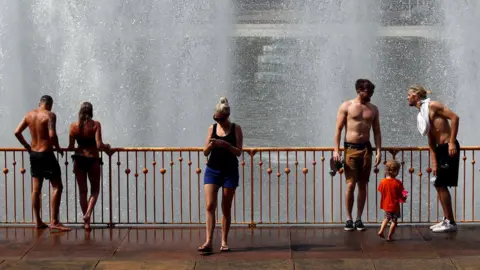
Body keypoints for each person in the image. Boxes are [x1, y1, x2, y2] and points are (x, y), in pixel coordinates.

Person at [14, 95, 70, 232]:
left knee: (36, 189)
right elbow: (52, 135)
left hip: (34, 154)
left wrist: (27, 146)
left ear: (39, 103)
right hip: (46, 154)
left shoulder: (29, 115)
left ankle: (38, 221)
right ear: (50, 104)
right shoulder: (50, 115)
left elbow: (17, 132)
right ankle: (55, 221)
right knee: (57, 186)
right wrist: (57, 148)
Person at [408, 86, 460, 232]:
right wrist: (434, 162)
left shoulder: (433, 105)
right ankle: (447, 219)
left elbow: (455, 118)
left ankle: (450, 221)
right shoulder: (422, 113)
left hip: (449, 146)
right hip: (440, 149)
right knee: (438, 183)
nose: (407, 97)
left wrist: (451, 142)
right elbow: (431, 140)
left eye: (409, 95)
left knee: (441, 184)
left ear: (416, 95)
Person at [333, 79, 382, 231]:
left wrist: (378, 150)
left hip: (366, 149)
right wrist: (336, 150)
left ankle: (359, 218)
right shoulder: (346, 106)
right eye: (369, 92)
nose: (371, 96)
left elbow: (377, 131)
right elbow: (338, 130)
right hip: (350, 149)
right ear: (360, 90)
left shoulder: (373, 109)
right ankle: (349, 218)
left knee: (363, 185)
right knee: (350, 184)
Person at [198, 97, 243, 253]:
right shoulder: (212, 128)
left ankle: (224, 241)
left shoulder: (236, 128)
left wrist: (227, 145)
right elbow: (205, 151)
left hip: (229, 171)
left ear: (227, 116)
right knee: (210, 205)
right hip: (213, 169)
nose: (219, 121)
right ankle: (208, 241)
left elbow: (239, 152)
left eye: (221, 119)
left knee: (226, 207)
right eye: (216, 118)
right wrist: (210, 146)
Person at [67, 102, 111, 231]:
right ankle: (87, 215)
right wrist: (107, 147)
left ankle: (87, 222)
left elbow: (70, 147)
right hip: (92, 160)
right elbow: (98, 145)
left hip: (79, 160)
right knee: (95, 190)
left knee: (82, 191)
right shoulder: (95, 125)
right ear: (91, 112)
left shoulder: (73, 126)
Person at [377, 160, 406, 241]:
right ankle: (389, 236)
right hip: (395, 205)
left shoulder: (382, 182)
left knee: (386, 218)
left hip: (386, 205)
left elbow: (380, 190)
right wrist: (404, 197)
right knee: (394, 221)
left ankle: (381, 231)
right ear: (396, 171)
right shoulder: (398, 182)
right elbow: (403, 193)